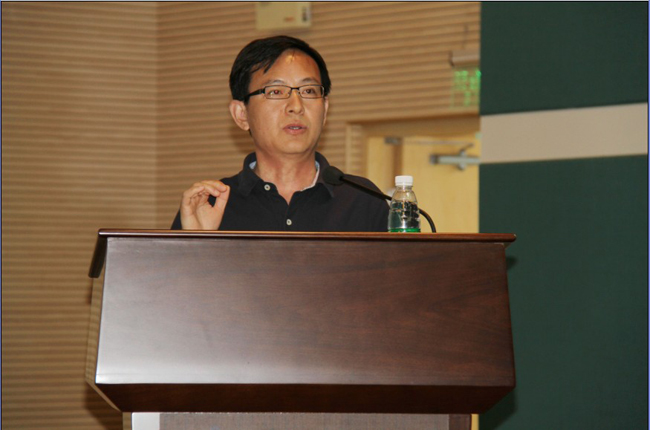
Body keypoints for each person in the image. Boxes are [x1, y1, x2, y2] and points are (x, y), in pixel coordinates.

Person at [171, 36, 388, 232]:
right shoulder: (210, 205)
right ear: (241, 114)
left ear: (325, 109)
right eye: (275, 91)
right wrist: (197, 242)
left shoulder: (364, 201)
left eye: (309, 91)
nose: (296, 106)